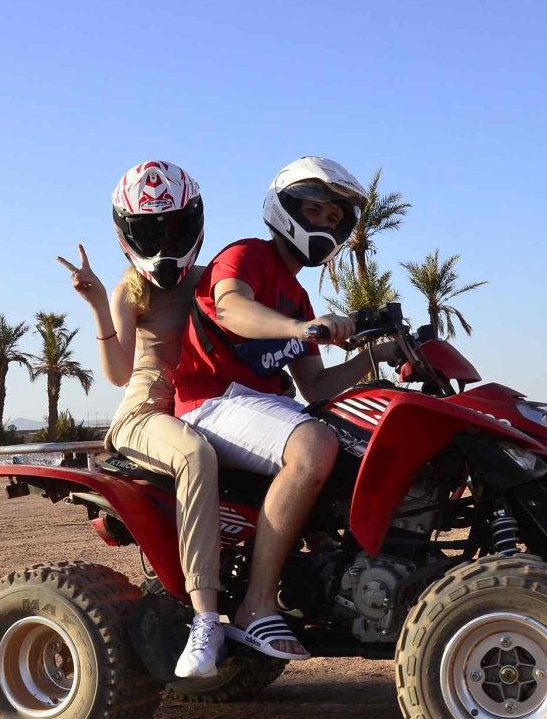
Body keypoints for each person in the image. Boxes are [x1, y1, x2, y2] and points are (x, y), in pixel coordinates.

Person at [174, 156, 398, 661]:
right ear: (286, 209)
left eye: (333, 219)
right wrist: (301, 327)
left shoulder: (296, 293)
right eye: (316, 211)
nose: (324, 224)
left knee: (351, 437)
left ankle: (333, 577)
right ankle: (255, 606)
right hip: (209, 401)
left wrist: (375, 356)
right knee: (315, 442)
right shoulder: (246, 256)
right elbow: (231, 306)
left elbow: (316, 385)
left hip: (261, 405)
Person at [56, 160, 225, 680]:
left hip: (207, 406)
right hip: (147, 413)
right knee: (196, 457)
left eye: (172, 227)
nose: (163, 241)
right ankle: (206, 619)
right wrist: (97, 303)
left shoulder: (211, 278)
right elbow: (117, 372)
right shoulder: (133, 290)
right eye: (149, 231)